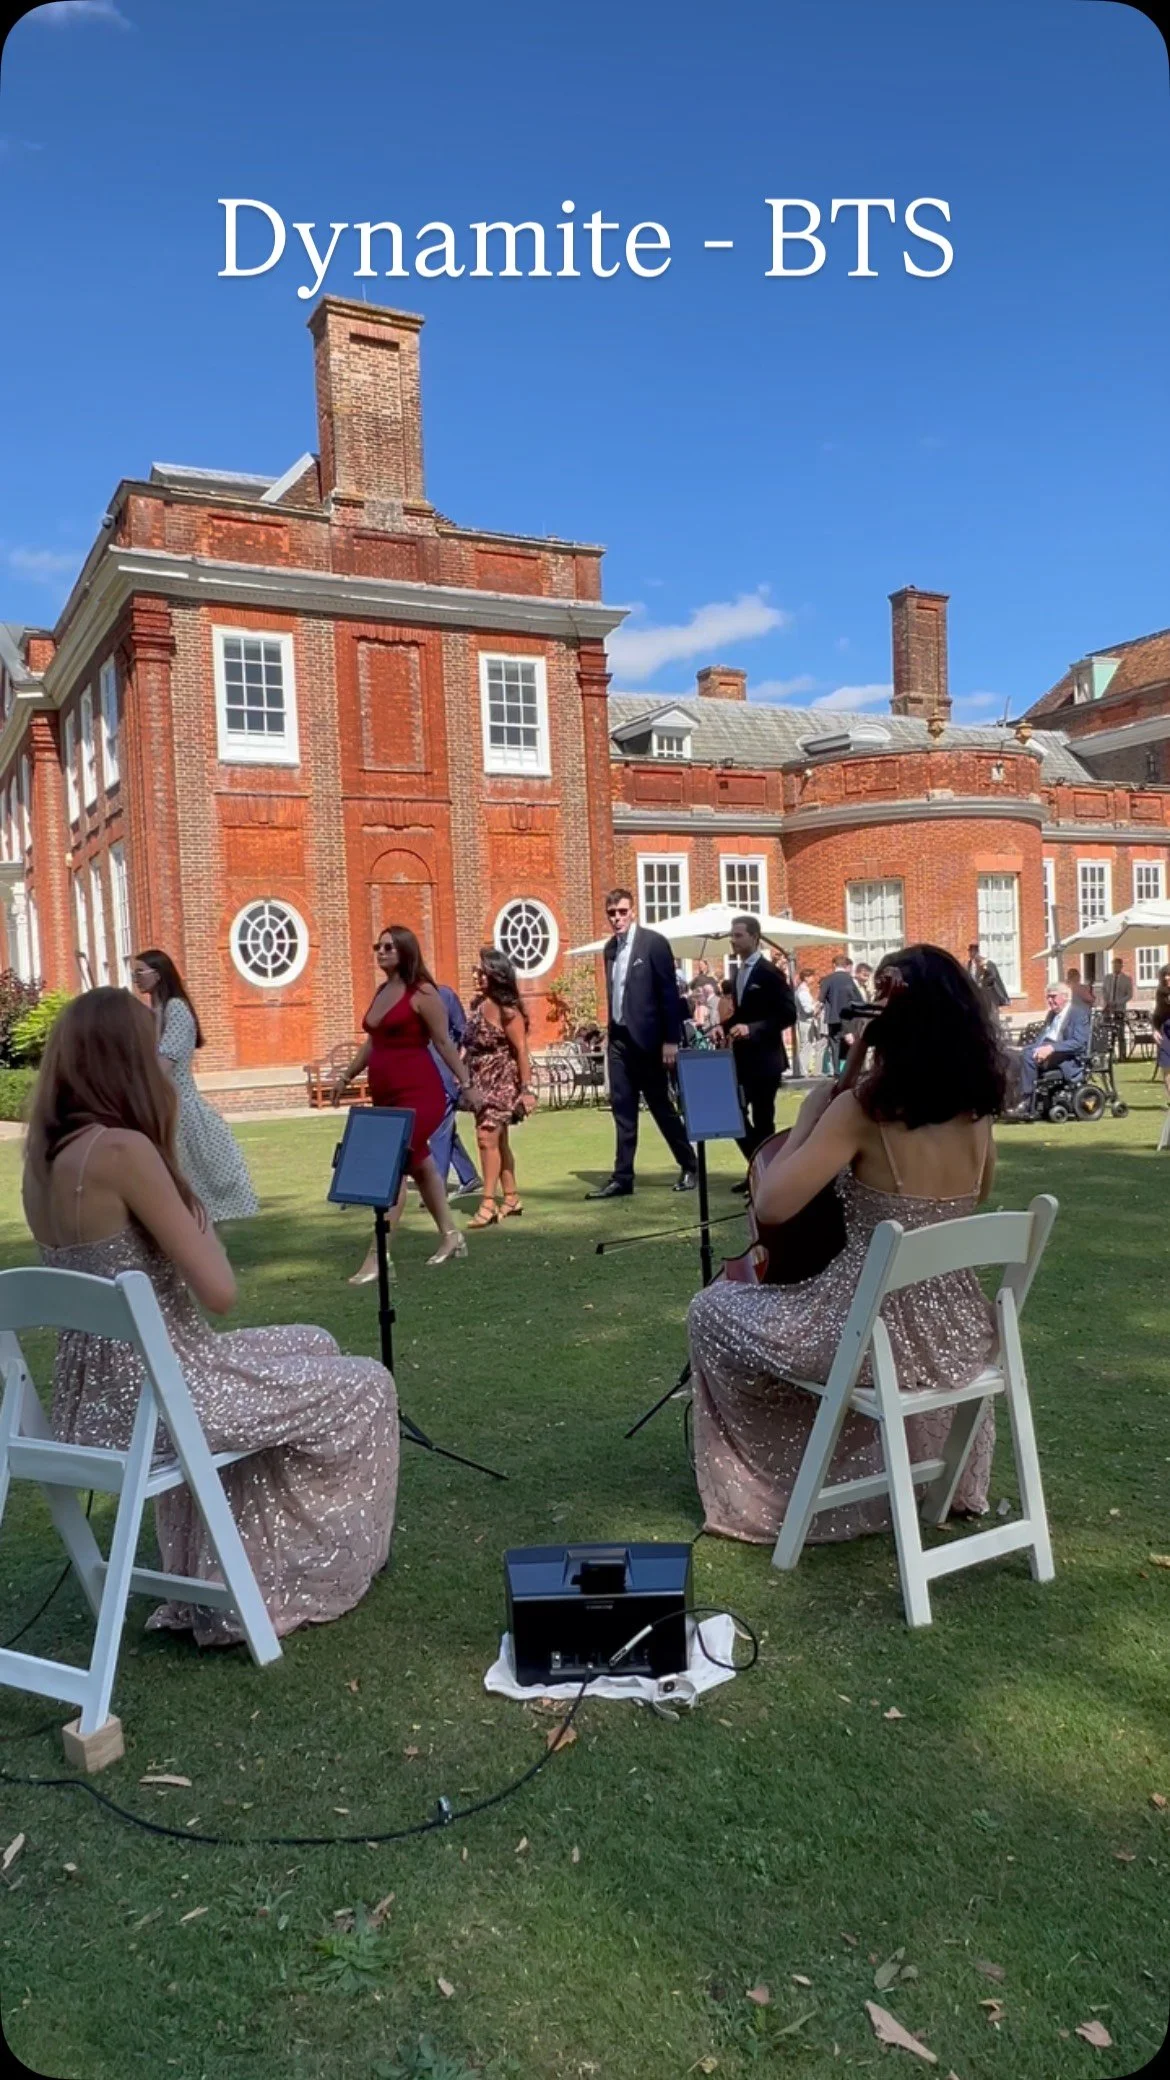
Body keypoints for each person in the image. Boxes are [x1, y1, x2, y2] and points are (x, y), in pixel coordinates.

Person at [21, 989, 399, 1646]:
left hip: (96, 1402)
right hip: (163, 1398)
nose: (165, 1067)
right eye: (153, 1052)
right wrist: (180, 1181)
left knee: (314, 1340)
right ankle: (308, 1569)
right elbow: (220, 1291)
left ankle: (234, 1563)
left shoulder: (41, 1162)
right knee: (369, 1384)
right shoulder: (122, 1152)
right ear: (125, 1062)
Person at [687, 944, 1005, 1545]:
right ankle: (887, 1476)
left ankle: (774, 1487)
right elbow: (981, 1192)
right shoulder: (977, 1109)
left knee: (711, 1310)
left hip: (868, 1332)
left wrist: (812, 1114)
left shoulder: (862, 1111)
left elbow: (771, 1205)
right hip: (958, 1331)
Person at [332, 926, 483, 1278]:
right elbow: (373, 1043)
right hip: (386, 1097)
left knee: (394, 1166)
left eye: (389, 947)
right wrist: (345, 1077)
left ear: (405, 951)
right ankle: (451, 1236)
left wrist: (467, 1084)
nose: (381, 952)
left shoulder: (423, 992)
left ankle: (377, 1256)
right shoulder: (382, 991)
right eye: (378, 946)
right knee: (420, 1163)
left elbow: (443, 1043)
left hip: (419, 1093)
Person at [130, 950, 258, 1224]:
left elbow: (162, 1067)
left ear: (158, 974)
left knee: (194, 1201)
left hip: (181, 1113)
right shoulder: (153, 1012)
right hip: (161, 1110)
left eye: (139, 972)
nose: (135, 978)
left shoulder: (176, 1009)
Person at [585, 888, 697, 1198]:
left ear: (632, 911)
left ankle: (690, 1165)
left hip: (649, 1041)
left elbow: (668, 994)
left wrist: (670, 1040)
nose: (617, 918)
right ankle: (623, 1177)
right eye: (612, 913)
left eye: (622, 912)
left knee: (661, 1107)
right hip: (619, 1040)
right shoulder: (610, 949)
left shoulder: (653, 943)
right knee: (622, 1110)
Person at [461, 947, 537, 1227]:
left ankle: (488, 1203)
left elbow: (521, 1049)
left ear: (495, 975)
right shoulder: (478, 1005)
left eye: (482, 972)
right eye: (476, 971)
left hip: (502, 1080)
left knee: (486, 1138)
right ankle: (512, 1197)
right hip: (480, 1081)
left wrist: (526, 1090)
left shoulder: (508, 1011)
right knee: (498, 1141)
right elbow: (468, 1045)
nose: (476, 976)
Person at [723, 916, 797, 1193]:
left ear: (754, 937)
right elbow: (742, 1014)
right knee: (733, 1114)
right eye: (732, 935)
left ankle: (765, 1175)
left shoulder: (769, 972)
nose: (733, 940)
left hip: (766, 1059)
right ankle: (760, 1168)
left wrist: (752, 1029)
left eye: (738, 935)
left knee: (763, 1119)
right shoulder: (739, 973)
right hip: (741, 1059)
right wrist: (722, 1027)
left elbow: (788, 1014)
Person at [428, 982, 482, 1198]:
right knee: (441, 1128)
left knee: (438, 1128)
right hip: (421, 1075)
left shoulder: (444, 995)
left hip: (444, 1074)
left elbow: (465, 1036)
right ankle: (468, 1176)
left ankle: (436, 1188)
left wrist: (459, 1069)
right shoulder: (406, 997)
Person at [1010, 982, 1093, 1116]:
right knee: (1012, 1055)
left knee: (1028, 1057)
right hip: (1047, 1052)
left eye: (1053, 997)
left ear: (1065, 996)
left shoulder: (1078, 1014)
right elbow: (1042, 1039)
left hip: (1067, 1058)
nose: (1049, 1000)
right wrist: (1027, 1048)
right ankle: (1012, 1099)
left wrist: (1052, 1048)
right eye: (1048, 997)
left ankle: (1027, 1101)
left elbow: (1079, 1043)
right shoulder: (1051, 1015)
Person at [819, 955, 865, 1075]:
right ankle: (850, 1070)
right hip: (848, 1017)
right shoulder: (849, 979)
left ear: (834, 965)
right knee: (850, 1044)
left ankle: (836, 1071)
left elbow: (821, 999)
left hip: (833, 1018)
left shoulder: (827, 979)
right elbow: (858, 999)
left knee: (835, 1045)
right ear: (846, 966)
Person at [966, 942, 1009, 1020]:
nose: (971, 953)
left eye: (973, 951)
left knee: (991, 1018)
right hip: (976, 996)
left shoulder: (988, 964)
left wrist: (984, 971)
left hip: (989, 997)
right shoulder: (969, 964)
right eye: (970, 951)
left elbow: (992, 978)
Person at [1102, 957, 1134, 1059]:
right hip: (1108, 1009)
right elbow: (1104, 990)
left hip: (1119, 1009)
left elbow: (1129, 995)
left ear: (1121, 966)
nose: (1115, 967)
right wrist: (1107, 1001)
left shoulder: (1126, 979)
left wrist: (1118, 1002)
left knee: (1120, 1033)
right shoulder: (1107, 978)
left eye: (1117, 965)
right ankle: (1109, 1055)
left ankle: (1122, 1055)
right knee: (1108, 1032)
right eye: (1113, 965)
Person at [793, 967, 818, 1077]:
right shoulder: (803, 991)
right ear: (806, 977)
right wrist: (816, 1006)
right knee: (805, 1045)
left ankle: (805, 1069)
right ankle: (803, 1070)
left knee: (808, 1045)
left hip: (806, 1020)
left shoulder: (804, 989)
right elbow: (807, 1009)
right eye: (812, 976)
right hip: (805, 1021)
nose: (813, 979)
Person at [1154, 965, 1170, 1106]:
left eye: (1169, 974)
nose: (1166, 977)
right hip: (1166, 1031)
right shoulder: (1161, 993)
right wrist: (1155, 1029)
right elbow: (1157, 1013)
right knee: (1166, 1067)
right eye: (1164, 975)